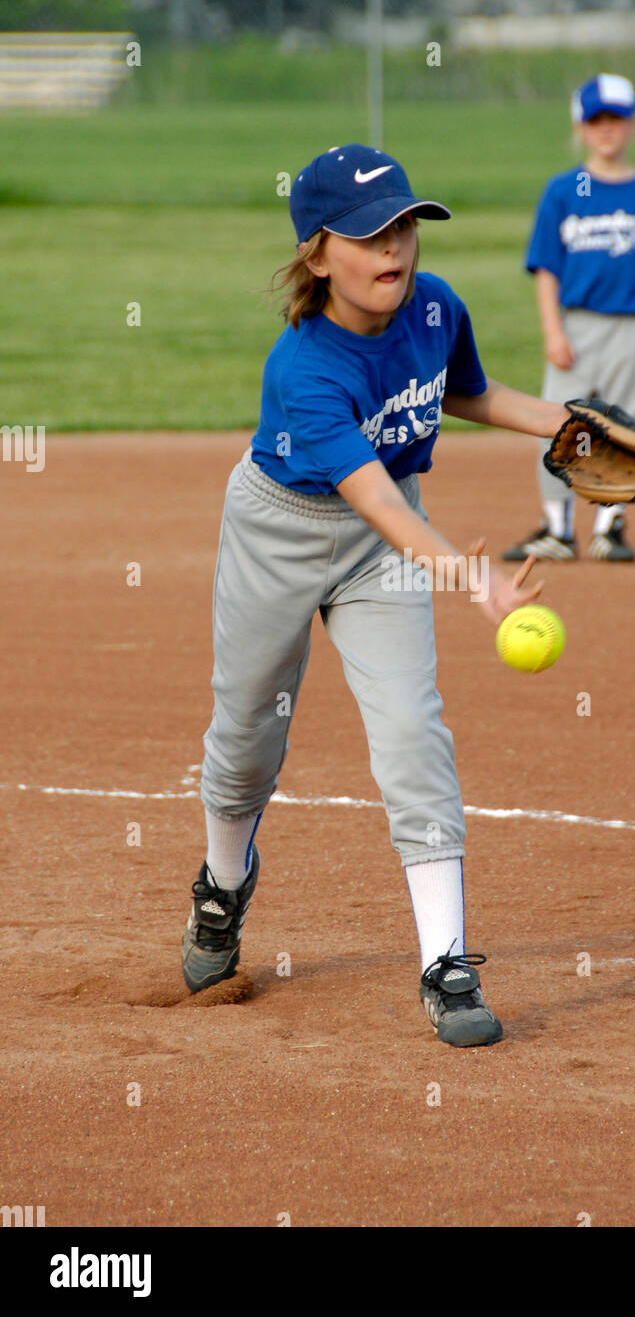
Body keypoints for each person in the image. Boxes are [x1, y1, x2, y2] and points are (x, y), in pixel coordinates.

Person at [182, 144, 570, 1048]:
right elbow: (380, 502)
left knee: (410, 727)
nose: (394, 244)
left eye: (403, 224)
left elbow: (468, 393)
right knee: (245, 731)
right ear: (319, 255)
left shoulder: (436, 309)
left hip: (380, 549)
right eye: (368, 233)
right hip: (282, 531)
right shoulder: (304, 367)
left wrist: (573, 420)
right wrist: (475, 578)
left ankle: (447, 961)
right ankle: (222, 884)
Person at [504, 73, 635, 564]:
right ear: (580, 128)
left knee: (624, 429)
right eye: (597, 120)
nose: (607, 130)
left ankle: (610, 526)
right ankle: (558, 529)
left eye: (618, 120)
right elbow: (546, 270)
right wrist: (552, 331)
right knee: (558, 425)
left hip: (634, 327)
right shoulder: (563, 191)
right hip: (576, 327)